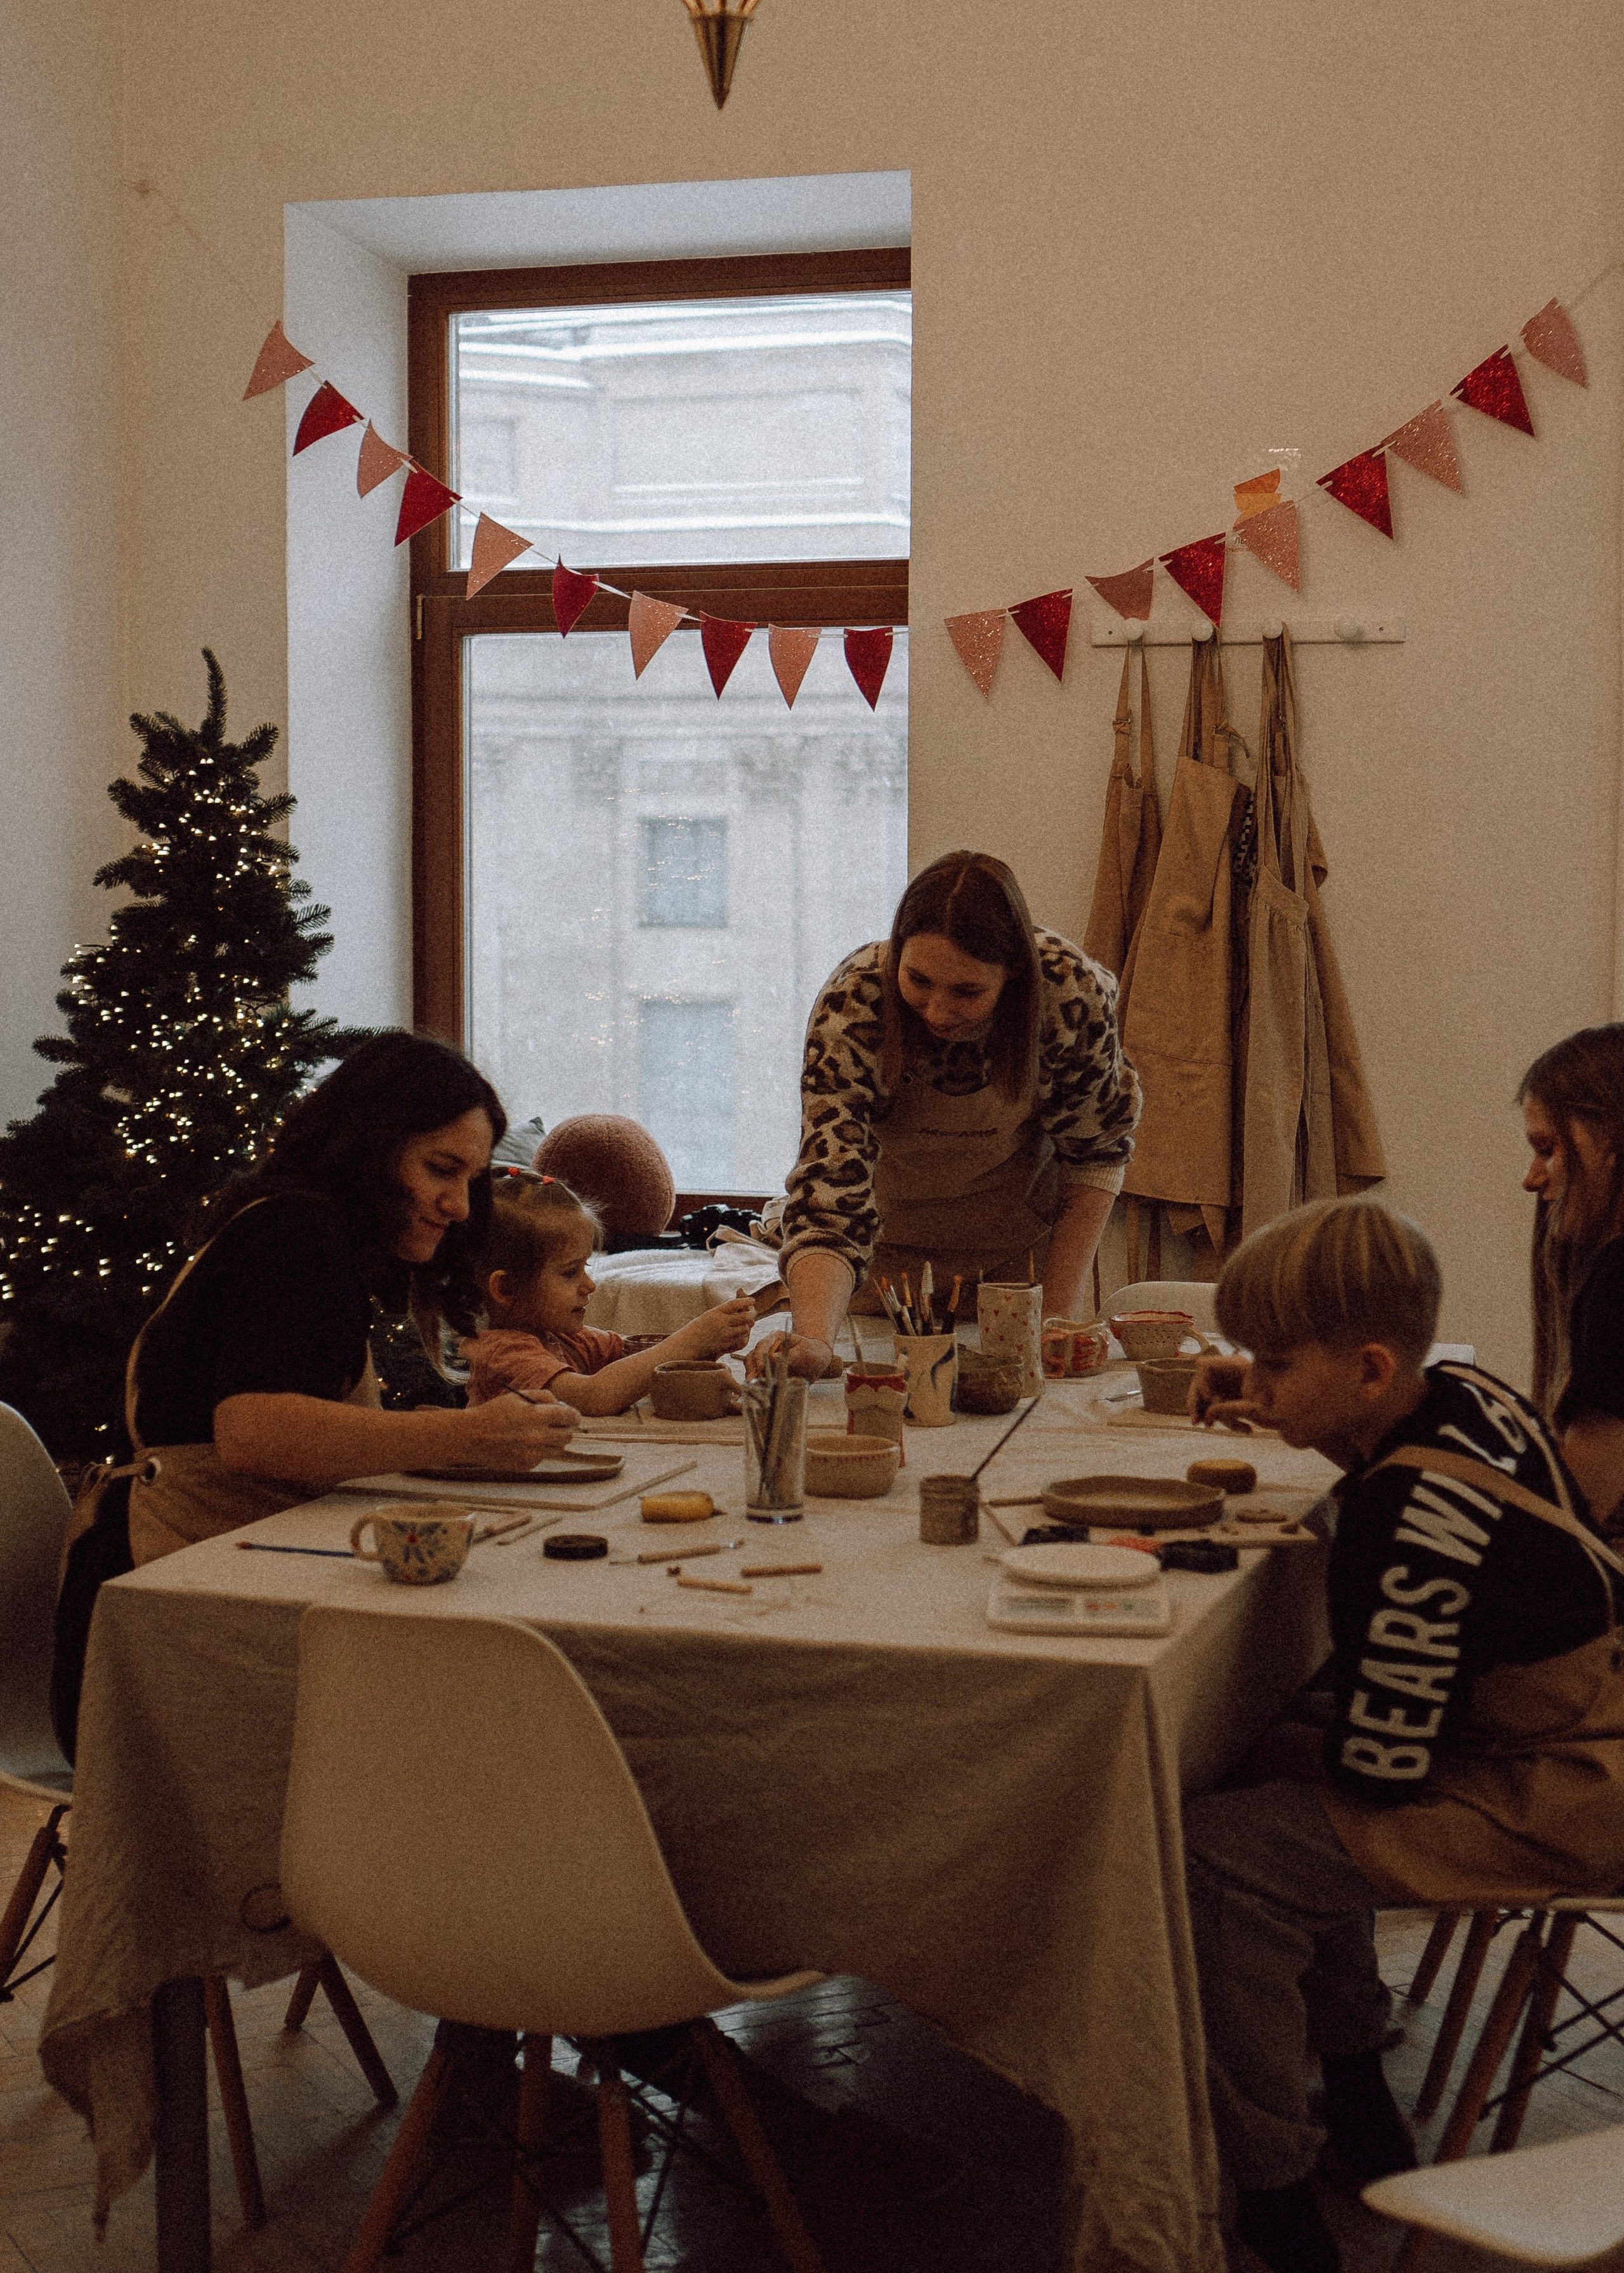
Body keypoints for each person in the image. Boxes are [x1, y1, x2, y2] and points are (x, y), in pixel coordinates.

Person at [1184, 1197, 1624, 2273]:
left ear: (1371, 1368)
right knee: (1279, 1779)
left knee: (1222, 1855)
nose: (1259, 1383)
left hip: (1565, 1790)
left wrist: (1258, 1739)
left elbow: (1380, 1778)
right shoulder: (1467, 1393)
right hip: (1586, 1721)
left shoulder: (1400, 1524)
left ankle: (1276, 2187)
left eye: (1274, 1365)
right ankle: (1356, 2081)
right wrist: (1285, 1406)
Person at [121, 1032, 580, 1564]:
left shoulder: (315, 1230)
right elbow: (253, 1432)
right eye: (440, 1169)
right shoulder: (297, 1230)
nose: (459, 1206)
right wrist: (467, 1434)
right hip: (171, 1562)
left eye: (471, 1180)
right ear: (370, 1148)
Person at [758, 849, 1141, 1380]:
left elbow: (1096, 1156)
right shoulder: (855, 1001)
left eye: (967, 991)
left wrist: (1054, 1318)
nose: (938, 1012)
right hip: (879, 1267)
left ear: (1013, 978)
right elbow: (830, 1196)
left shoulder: (1068, 995)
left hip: (1016, 1267)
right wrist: (815, 1342)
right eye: (917, 981)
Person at [460, 1173, 757, 1415]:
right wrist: (694, 1338)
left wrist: (713, 1340)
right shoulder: (501, 1353)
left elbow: (639, 1362)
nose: (589, 1285)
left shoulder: (564, 1336)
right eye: (569, 1272)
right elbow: (596, 1396)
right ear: (507, 1289)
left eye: (585, 1267)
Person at [1521, 1024, 1624, 1538]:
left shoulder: (1618, 1281)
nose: (1532, 1177)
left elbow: (1569, 1522)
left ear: (1611, 1140)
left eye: (1547, 1148)